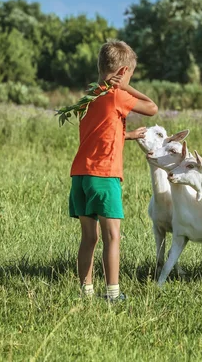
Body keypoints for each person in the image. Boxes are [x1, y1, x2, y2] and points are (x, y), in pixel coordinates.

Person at [69, 39, 158, 301]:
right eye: (129, 74)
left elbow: (98, 133)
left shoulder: (88, 98)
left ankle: (85, 293)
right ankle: (113, 293)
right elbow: (153, 108)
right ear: (122, 72)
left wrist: (127, 135)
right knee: (112, 236)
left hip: (80, 176)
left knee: (89, 238)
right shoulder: (117, 94)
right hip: (104, 176)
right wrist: (128, 87)